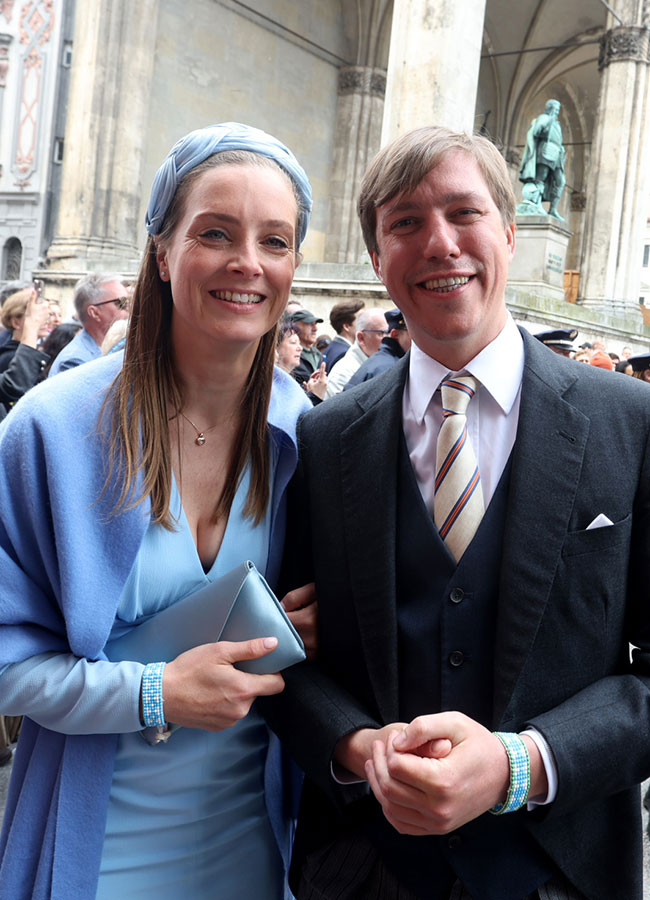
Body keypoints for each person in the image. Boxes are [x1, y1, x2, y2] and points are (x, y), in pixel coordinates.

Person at [261, 125, 650, 900]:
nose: (439, 242)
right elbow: (291, 650)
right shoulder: (327, 434)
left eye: (464, 213)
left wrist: (521, 764)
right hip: (365, 868)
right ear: (378, 259)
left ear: (508, 231)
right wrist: (358, 747)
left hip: (558, 871)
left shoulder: (631, 422)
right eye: (405, 222)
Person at [0, 122, 317, 900]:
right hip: (99, 842)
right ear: (163, 251)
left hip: (255, 839)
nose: (248, 262)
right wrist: (156, 693)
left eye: (274, 241)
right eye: (216, 232)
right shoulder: (53, 429)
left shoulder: (304, 432)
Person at [47, 273, 129, 376]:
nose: (129, 308)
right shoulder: (75, 361)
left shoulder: (114, 349)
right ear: (94, 312)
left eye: (129, 301)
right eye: (122, 303)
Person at [0, 287, 50, 415]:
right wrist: (32, 325)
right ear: (16, 322)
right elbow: (14, 386)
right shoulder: (9, 356)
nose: (45, 321)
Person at [518, 99, 566, 219]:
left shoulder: (557, 124)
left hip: (557, 155)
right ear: (549, 108)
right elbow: (537, 130)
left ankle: (553, 209)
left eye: (558, 109)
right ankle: (536, 203)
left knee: (561, 181)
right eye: (555, 108)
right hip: (545, 151)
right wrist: (549, 119)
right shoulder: (544, 118)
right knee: (541, 178)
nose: (557, 111)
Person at [325, 307, 388, 397]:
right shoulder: (343, 375)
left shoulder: (384, 362)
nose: (389, 338)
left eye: (390, 332)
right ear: (361, 338)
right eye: (382, 333)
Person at [345, 308, 411, 387]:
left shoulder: (381, 361)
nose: (418, 339)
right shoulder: (389, 369)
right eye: (411, 332)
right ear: (395, 335)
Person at [324, 299, 365, 373]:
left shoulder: (332, 348)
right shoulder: (344, 353)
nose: (365, 324)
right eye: (360, 320)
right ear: (346, 326)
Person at [289, 308, 324, 385]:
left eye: (315, 324)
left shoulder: (318, 354)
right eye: (309, 324)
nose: (315, 329)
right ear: (294, 326)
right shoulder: (289, 355)